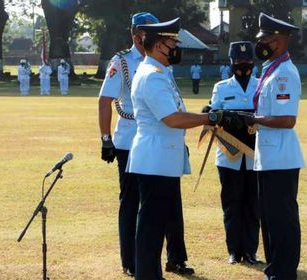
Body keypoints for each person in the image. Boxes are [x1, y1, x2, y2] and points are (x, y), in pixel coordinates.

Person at [128, 17, 241, 280]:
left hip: (161, 160)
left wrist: (206, 116)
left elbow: (175, 114)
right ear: (158, 46)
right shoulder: (152, 76)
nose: (176, 47)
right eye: (172, 42)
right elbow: (172, 118)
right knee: (151, 227)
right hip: (155, 160)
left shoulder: (159, 72)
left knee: (155, 224)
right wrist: (210, 118)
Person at [98, 13, 194, 278]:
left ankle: (175, 256)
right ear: (135, 33)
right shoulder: (123, 61)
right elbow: (105, 100)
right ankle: (132, 260)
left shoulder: (161, 64)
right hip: (132, 141)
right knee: (133, 205)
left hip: (164, 142)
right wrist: (105, 138)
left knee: (170, 205)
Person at [232, 13, 305, 280]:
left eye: (264, 40)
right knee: (270, 219)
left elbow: (288, 119)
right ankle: (275, 269)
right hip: (268, 156)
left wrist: (254, 120)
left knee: (282, 220)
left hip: (281, 158)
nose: (259, 45)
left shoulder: (285, 73)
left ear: (278, 41)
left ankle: (284, 272)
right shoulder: (271, 69)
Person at [206, 41, 262, 265]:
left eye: (247, 60)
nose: (243, 65)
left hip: (255, 155)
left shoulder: (261, 85)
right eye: (238, 61)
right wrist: (209, 112)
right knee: (231, 204)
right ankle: (233, 251)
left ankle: (251, 251)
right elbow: (213, 112)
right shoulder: (221, 87)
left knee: (253, 205)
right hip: (228, 157)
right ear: (231, 63)